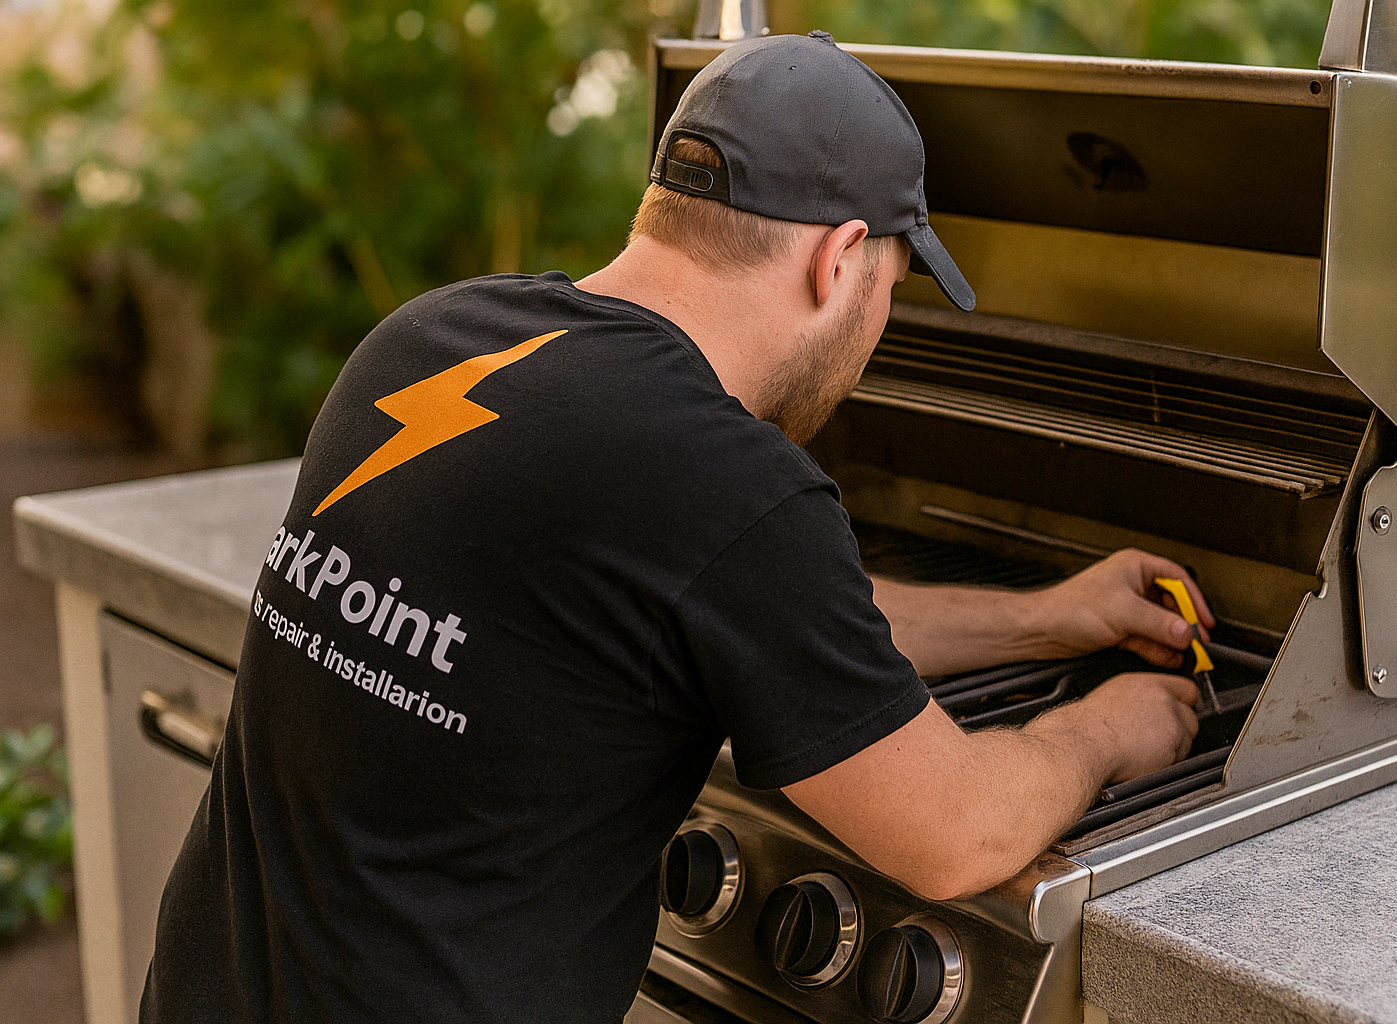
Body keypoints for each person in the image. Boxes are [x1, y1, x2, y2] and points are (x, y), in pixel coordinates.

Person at [141, 31, 1207, 1024]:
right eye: (890, 287)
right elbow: (957, 833)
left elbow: (741, 613)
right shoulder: (723, 476)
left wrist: (1047, 619)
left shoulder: (427, 341)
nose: (878, 327)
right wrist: (1110, 726)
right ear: (838, 259)